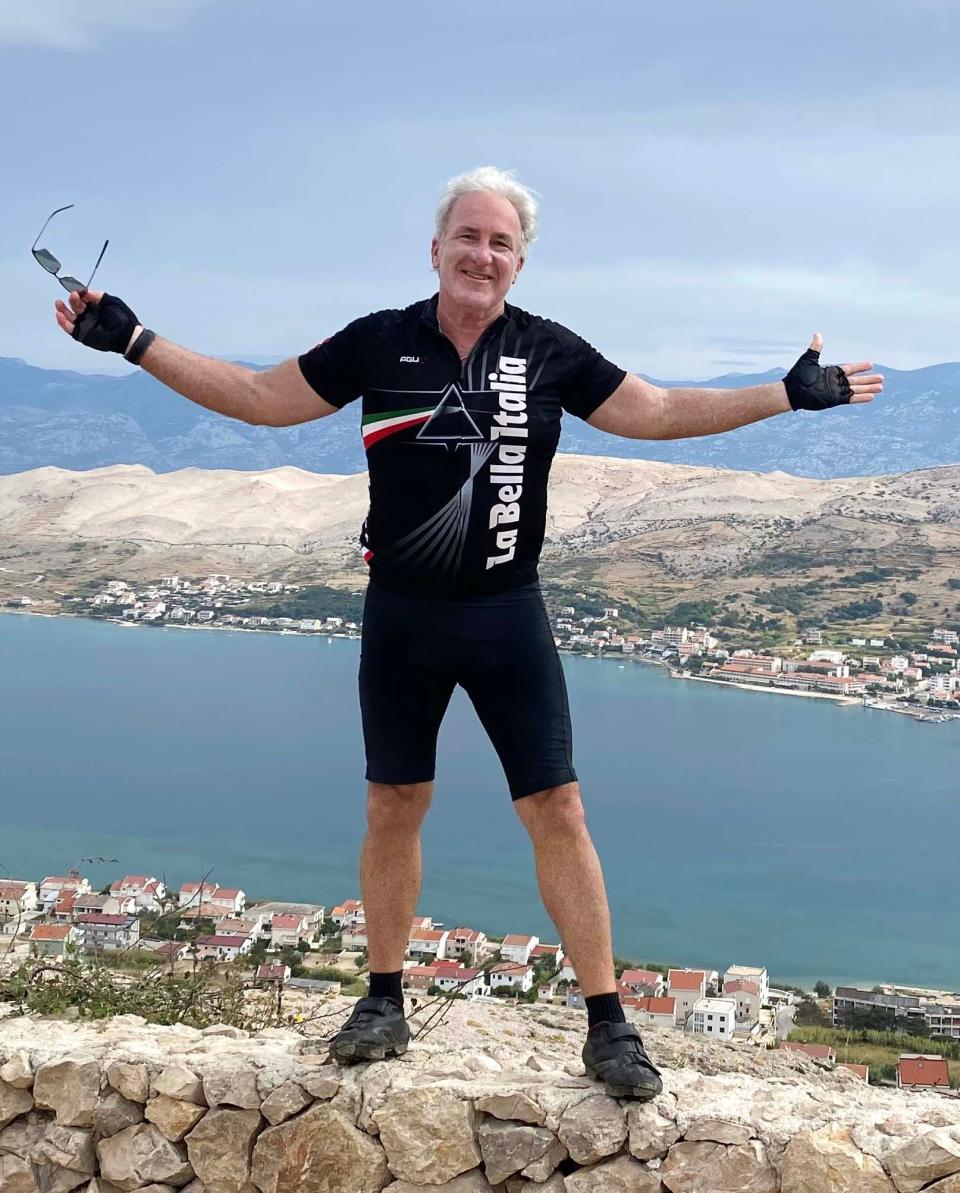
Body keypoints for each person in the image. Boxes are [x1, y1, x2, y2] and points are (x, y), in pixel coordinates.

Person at [52, 166, 883, 1099]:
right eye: (469, 236)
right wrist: (132, 340)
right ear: (437, 247)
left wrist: (784, 392)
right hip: (401, 615)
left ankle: (608, 1025)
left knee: (557, 808)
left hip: (505, 612)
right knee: (392, 806)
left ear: (520, 263)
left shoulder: (549, 350)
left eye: (501, 243)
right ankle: (381, 998)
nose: (482, 254)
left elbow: (653, 411)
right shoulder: (378, 341)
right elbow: (257, 397)